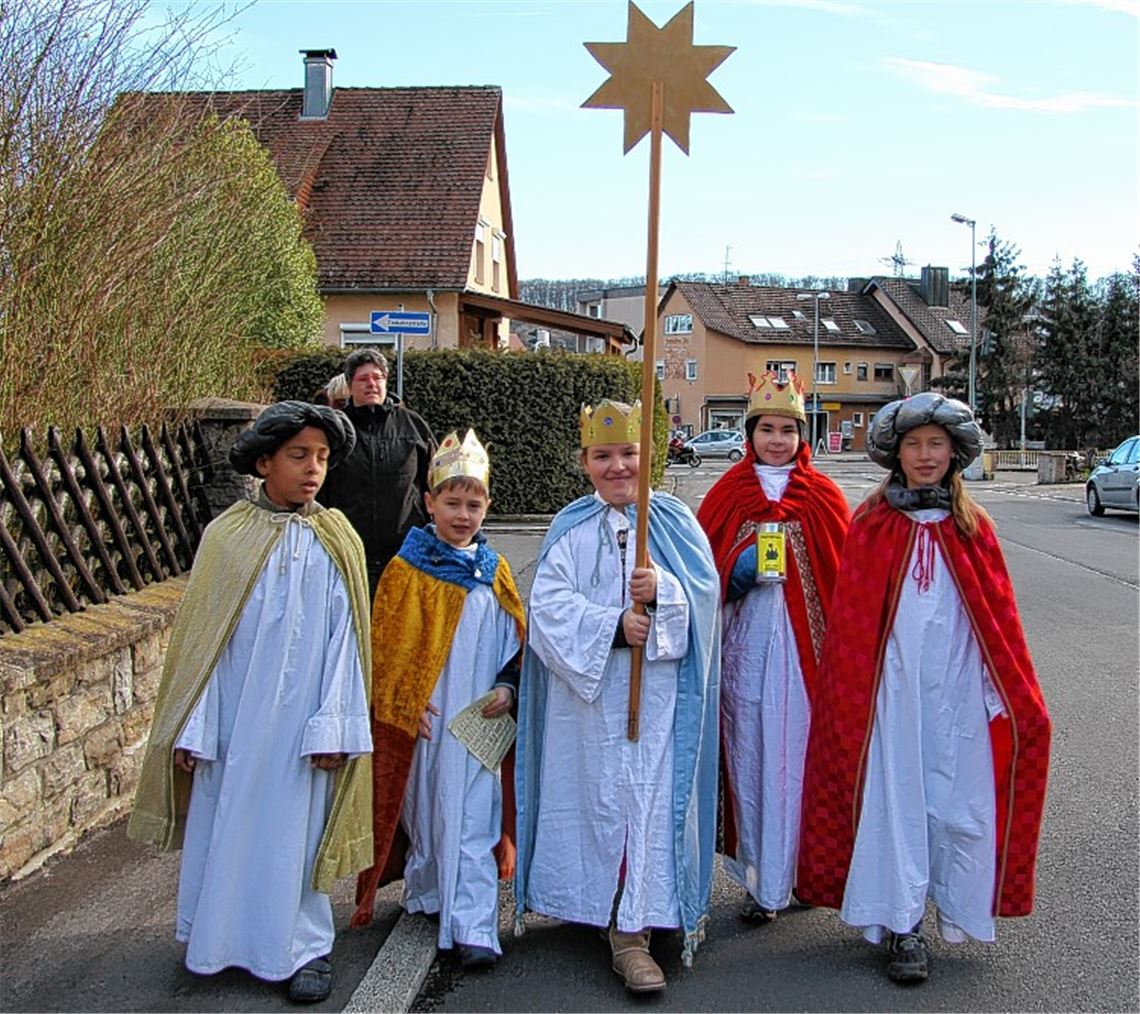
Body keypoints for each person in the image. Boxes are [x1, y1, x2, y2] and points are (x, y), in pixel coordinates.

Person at [797, 392, 1052, 985]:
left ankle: (955, 908)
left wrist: (1008, 696)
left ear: (955, 452)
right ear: (896, 454)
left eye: (936, 443)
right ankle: (902, 923)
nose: (925, 454)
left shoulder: (974, 527)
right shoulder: (872, 523)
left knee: (957, 803)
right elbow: (855, 623)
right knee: (896, 801)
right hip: (891, 697)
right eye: (913, 444)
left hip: (957, 697)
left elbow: (999, 621)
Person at [128, 401, 374, 1004]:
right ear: (264, 462)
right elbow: (205, 645)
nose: (313, 468)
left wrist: (334, 727)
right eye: (298, 456)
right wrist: (196, 726)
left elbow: (349, 643)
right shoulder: (226, 537)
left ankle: (304, 948)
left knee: (296, 835)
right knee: (226, 825)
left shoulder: (338, 539)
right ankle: (214, 939)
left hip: (302, 733)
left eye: (321, 457)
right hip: (234, 727)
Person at [513, 399, 721, 994]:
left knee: (647, 806)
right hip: (593, 707)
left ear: (647, 456)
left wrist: (664, 593)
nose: (617, 467)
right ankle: (602, 906)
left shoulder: (675, 524)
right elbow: (547, 610)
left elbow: (705, 606)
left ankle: (636, 926)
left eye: (628, 453)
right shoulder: (571, 529)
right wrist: (611, 627)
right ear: (585, 462)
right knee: (598, 802)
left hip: (658, 707)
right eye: (603, 456)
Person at [350, 430, 526, 971]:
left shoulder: (493, 570)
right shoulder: (408, 569)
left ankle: (472, 924)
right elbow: (388, 643)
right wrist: (403, 700)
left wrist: (508, 685)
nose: (463, 514)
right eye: (452, 502)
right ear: (429, 503)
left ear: (487, 507)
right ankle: (428, 893)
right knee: (426, 809)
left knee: (474, 814)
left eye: (474, 504)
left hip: (479, 721)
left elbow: (515, 640)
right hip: (426, 718)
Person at [696, 371, 849, 923]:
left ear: (802, 435)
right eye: (767, 429)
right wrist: (735, 573)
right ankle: (760, 881)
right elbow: (699, 573)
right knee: (751, 758)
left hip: (805, 662)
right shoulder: (726, 494)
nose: (777, 440)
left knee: (802, 761)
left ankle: (803, 873)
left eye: (788, 430)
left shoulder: (826, 497)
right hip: (745, 652)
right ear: (750, 432)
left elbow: (843, 581)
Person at [319, 348, 437, 596]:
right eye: (363, 379)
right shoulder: (335, 430)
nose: (371, 384)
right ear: (350, 385)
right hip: (349, 553)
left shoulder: (413, 425)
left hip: (406, 552)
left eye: (377, 377)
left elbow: (434, 484)